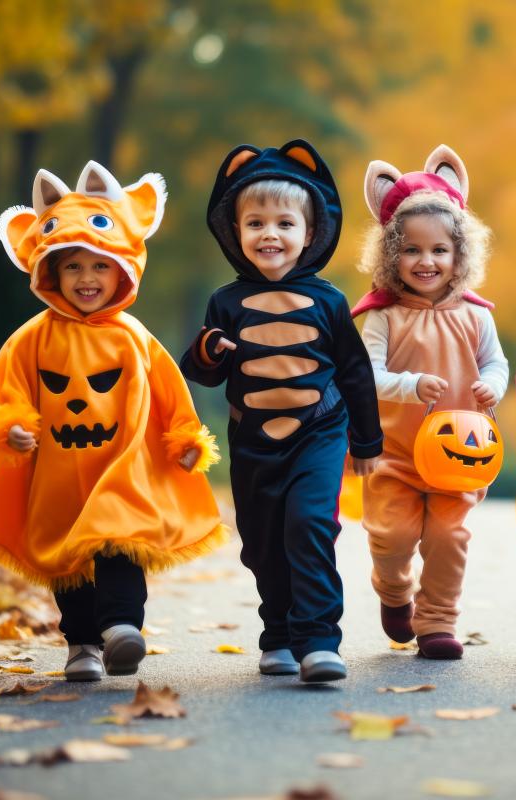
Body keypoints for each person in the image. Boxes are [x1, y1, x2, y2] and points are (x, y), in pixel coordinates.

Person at [0, 161, 226, 682]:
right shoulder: (31, 338)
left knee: (121, 540)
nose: (86, 279)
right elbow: (7, 389)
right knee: (69, 559)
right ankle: (82, 643)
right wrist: (10, 426)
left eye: (99, 267)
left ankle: (123, 626)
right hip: (59, 468)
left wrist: (185, 436)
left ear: (122, 268)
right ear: (49, 273)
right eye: (72, 267)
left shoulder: (133, 337)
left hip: (121, 466)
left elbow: (169, 387)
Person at [180, 139, 382, 683]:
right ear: (235, 232)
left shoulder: (329, 301)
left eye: (284, 223)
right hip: (253, 441)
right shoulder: (226, 301)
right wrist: (207, 351)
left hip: (318, 433)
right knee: (263, 539)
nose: (270, 234)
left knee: (309, 525)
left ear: (309, 233)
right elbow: (201, 371)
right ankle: (279, 633)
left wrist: (366, 443)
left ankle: (319, 640)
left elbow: (356, 375)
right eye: (256, 224)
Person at [352, 145, 508, 660]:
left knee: (448, 538)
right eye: (412, 250)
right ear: (390, 254)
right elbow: (367, 375)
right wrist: (410, 385)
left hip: (459, 454)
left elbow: (496, 363)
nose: (427, 261)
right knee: (392, 535)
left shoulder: (476, 315)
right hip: (392, 452)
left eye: (440, 250)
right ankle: (394, 591)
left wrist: (491, 385)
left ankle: (438, 620)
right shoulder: (382, 316)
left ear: (460, 256)